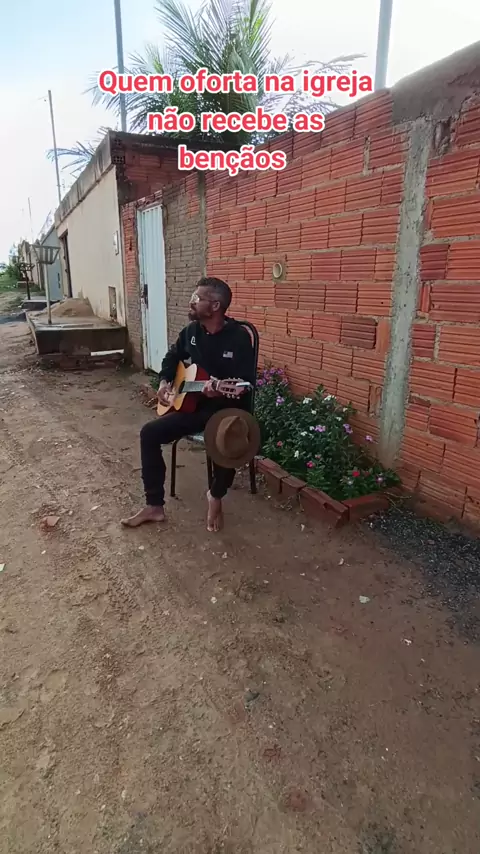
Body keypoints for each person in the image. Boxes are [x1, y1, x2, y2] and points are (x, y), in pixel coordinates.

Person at [122, 277, 255, 532]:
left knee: (225, 438)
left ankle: (215, 495)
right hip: (193, 407)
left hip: (227, 409)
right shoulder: (191, 332)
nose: (191, 302)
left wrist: (219, 389)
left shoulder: (238, 338)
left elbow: (245, 384)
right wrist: (164, 381)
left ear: (215, 306)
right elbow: (173, 356)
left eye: (197, 298)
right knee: (149, 433)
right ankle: (154, 506)